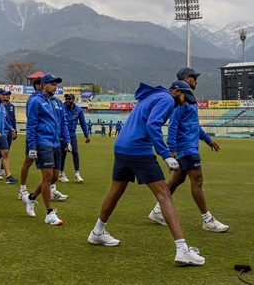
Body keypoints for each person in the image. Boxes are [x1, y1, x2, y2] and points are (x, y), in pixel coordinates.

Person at [87, 80, 205, 266]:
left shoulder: (152, 96)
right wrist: (166, 155)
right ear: (175, 91)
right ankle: (182, 249)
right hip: (138, 149)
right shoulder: (166, 98)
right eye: (184, 97)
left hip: (121, 147)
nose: (184, 102)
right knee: (164, 194)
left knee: (116, 191)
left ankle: (97, 232)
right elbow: (152, 125)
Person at [148, 67, 228, 233]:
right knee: (197, 180)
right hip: (186, 147)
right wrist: (172, 149)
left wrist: (208, 140)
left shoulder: (190, 100)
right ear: (185, 78)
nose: (196, 81)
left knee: (177, 180)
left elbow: (194, 125)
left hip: (190, 146)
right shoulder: (180, 100)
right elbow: (174, 125)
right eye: (193, 77)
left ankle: (157, 211)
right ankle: (207, 219)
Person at [21, 74, 71, 225]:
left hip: (56, 143)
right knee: (48, 176)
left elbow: (63, 123)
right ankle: (50, 213)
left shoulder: (58, 102)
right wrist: (32, 146)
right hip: (43, 142)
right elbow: (31, 125)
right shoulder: (36, 101)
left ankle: (30, 198)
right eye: (52, 84)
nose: (55, 86)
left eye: (56, 84)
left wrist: (67, 140)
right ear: (43, 85)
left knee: (54, 177)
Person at [59, 93, 90, 183]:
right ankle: (61, 173)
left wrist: (86, 135)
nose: (67, 100)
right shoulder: (62, 108)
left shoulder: (78, 110)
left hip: (72, 135)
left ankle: (77, 174)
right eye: (66, 99)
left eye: (69, 99)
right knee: (63, 154)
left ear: (73, 99)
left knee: (75, 152)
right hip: (62, 135)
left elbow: (83, 123)